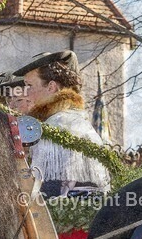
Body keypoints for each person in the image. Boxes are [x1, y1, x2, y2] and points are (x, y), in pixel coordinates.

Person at [13, 51, 111, 197]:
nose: (26, 94)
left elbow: (47, 193)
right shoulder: (76, 121)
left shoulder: (56, 125)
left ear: (51, 87)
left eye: (29, 86)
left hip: (66, 213)